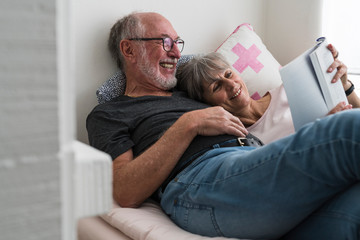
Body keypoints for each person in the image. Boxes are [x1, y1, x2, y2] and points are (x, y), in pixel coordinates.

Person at [86, 12, 360, 239]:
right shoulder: (111, 112)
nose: (176, 53)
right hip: (199, 183)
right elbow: (125, 192)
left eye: (177, 43)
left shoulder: (189, 94)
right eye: (165, 41)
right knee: (348, 131)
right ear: (129, 49)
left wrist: (337, 84)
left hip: (249, 165)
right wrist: (188, 124)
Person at [176, 52, 360, 144]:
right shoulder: (241, 141)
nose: (231, 85)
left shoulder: (290, 88)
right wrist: (323, 130)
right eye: (216, 86)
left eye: (229, 74)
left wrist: (344, 86)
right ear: (205, 103)